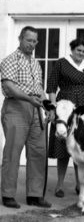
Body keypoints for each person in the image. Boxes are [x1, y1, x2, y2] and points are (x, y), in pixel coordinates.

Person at [0, 26, 51, 208]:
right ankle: (7, 195)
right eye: (29, 40)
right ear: (20, 38)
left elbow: (39, 90)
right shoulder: (10, 60)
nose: (32, 44)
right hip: (16, 107)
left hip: (36, 109)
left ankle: (34, 195)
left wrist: (48, 107)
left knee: (38, 152)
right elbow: (9, 86)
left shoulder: (36, 64)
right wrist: (30, 99)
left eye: (35, 41)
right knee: (13, 152)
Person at [47, 38, 84, 198]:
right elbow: (52, 86)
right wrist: (54, 108)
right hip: (64, 108)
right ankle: (59, 185)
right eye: (79, 50)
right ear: (72, 49)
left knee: (81, 146)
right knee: (63, 146)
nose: (81, 54)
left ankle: (79, 184)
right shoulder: (61, 63)